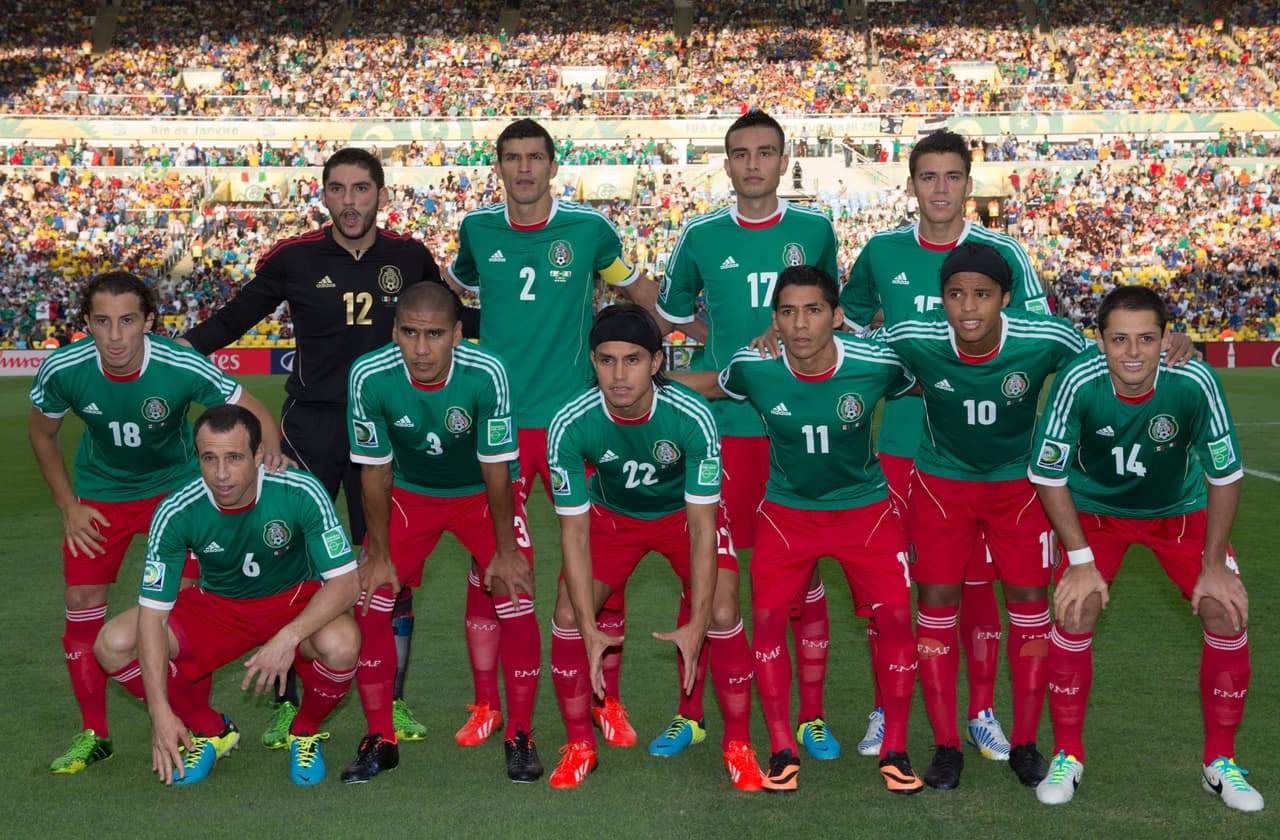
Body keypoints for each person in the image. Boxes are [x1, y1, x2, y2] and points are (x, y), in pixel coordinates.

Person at [184, 147, 452, 747]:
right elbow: (232, 321)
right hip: (309, 429)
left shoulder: (410, 257)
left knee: (386, 565)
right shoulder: (294, 257)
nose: (350, 201)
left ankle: (394, 700)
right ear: (324, 195)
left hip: (386, 429)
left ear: (381, 195)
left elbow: (455, 320)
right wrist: (170, 353)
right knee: (289, 561)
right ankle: (287, 701)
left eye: (362, 189)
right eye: (339, 189)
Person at [838, 129, 1050, 761]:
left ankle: (982, 709)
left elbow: (1038, 333)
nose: (939, 189)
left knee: (979, 586)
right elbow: (843, 323)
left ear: (967, 182)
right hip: (902, 445)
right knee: (897, 586)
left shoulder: (1003, 251)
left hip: (984, 454)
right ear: (910, 185)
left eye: (952, 176)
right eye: (927, 177)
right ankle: (887, 702)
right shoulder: (881, 252)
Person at [645, 110, 843, 762]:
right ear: (726, 163)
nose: (753, 164)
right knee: (710, 568)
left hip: (800, 429)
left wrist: (786, 338)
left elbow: (833, 318)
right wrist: (729, 352)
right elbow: (671, 316)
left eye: (765, 152)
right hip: (726, 430)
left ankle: (812, 715)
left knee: (802, 576)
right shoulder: (701, 235)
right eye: (740, 153)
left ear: (784, 161)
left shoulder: (815, 230)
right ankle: (690, 711)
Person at [28, 271, 282, 775]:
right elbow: (43, 436)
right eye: (102, 322)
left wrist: (269, 474)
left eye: (127, 321)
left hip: (179, 491)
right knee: (80, 605)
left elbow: (254, 413)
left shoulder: (177, 362)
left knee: (182, 611)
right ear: (87, 324)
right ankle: (99, 734)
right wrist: (68, 507)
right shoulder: (64, 368)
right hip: (100, 494)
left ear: (148, 322)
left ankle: (200, 726)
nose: (115, 335)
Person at [681, 266, 922, 795]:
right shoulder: (755, 366)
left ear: (836, 316)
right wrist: (640, 379)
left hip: (866, 510)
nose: (800, 324)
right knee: (765, 625)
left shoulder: (876, 362)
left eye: (813, 310)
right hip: (787, 515)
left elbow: (926, 379)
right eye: (787, 312)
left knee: (900, 621)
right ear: (774, 320)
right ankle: (782, 747)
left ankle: (897, 750)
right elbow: (711, 387)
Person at [447, 118, 648, 748]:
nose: (525, 169)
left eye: (535, 157)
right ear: (499, 167)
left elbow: (638, 290)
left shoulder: (589, 230)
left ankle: (606, 702)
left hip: (574, 421)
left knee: (601, 563)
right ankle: (487, 705)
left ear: (553, 165)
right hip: (498, 420)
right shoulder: (477, 230)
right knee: (492, 566)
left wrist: (678, 339)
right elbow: (459, 287)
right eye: (512, 158)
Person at [1029, 286, 1262, 812]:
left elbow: (1224, 474)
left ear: (1166, 340)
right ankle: (1067, 753)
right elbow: (1046, 472)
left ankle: (1219, 763)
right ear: (1100, 341)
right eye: (1119, 339)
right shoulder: (1077, 381)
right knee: (1074, 608)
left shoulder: (1193, 379)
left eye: (1146, 339)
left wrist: (1214, 564)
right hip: (1095, 515)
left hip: (1177, 513)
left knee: (1225, 611)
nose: (1132, 352)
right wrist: (1081, 562)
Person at [876, 242, 1087, 790]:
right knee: (937, 606)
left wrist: (1174, 344)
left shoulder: (1048, 338)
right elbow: (841, 355)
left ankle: (1024, 741)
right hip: (942, 490)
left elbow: (1103, 366)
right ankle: (947, 743)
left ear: (1006, 299)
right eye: (955, 294)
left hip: (1020, 491)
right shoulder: (910, 336)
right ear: (940, 298)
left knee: (1029, 607)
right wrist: (779, 340)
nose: (968, 307)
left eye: (982, 295)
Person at [544, 304, 759, 791]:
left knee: (724, 613)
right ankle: (581, 744)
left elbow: (704, 527)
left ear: (658, 362)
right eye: (606, 360)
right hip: (611, 521)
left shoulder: (692, 415)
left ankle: (739, 745)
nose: (619, 375)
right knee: (563, 616)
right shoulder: (570, 423)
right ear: (592, 362)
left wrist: (698, 621)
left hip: (682, 519)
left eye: (633, 360)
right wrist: (585, 627)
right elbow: (574, 534)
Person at [92, 404, 360, 786]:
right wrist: (159, 711)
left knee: (344, 644)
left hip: (293, 602)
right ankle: (210, 730)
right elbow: (153, 614)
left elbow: (347, 583)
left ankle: (304, 732)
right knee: (113, 644)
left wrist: (287, 638)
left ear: (258, 456)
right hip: (219, 608)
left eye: (234, 458)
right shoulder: (176, 510)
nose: (220, 474)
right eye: (209, 458)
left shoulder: (300, 489)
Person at [343, 283, 540, 784]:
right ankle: (380, 739)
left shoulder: (486, 372)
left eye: (434, 334)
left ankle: (519, 734)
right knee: (370, 600)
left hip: (480, 492)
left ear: (457, 333)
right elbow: (374, 472)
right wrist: (380, 555)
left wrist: (505, 551)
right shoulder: (369, 375)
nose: (422, 348)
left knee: (515, 593)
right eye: (410, 333)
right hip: (410, 494)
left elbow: (497, 469)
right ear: (395, 332)